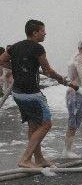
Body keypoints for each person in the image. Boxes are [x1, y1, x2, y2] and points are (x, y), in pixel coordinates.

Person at [0, 19, 74, 168]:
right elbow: (47, 71)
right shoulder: (38, 48)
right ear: (34, 33)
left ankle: (39, 158)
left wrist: (17, 67)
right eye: (42, 31)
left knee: (34, 125)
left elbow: (1, 60)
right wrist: (61, 79)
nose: (45, 33)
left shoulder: (15, 47)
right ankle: (25, 159)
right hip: (31, 94)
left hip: (18, 93)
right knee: (46, 124)